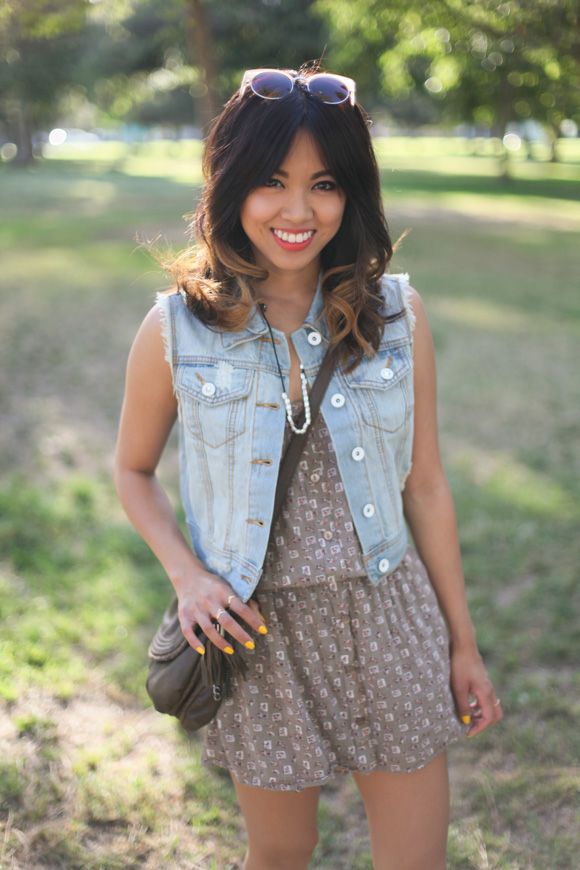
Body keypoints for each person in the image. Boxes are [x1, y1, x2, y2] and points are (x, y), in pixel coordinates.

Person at [114, 65, 502, 870]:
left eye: (323, 183)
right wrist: (188, 579)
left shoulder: (398, 313)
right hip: (260, 636)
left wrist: (462, 645)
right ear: (230, 186)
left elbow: (425, 486)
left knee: (414, 860)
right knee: (282, 854)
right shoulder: (175, 330)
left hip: (389, 618)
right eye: (271, 182)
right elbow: (132, 471)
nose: (298, 211)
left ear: (351, 191)